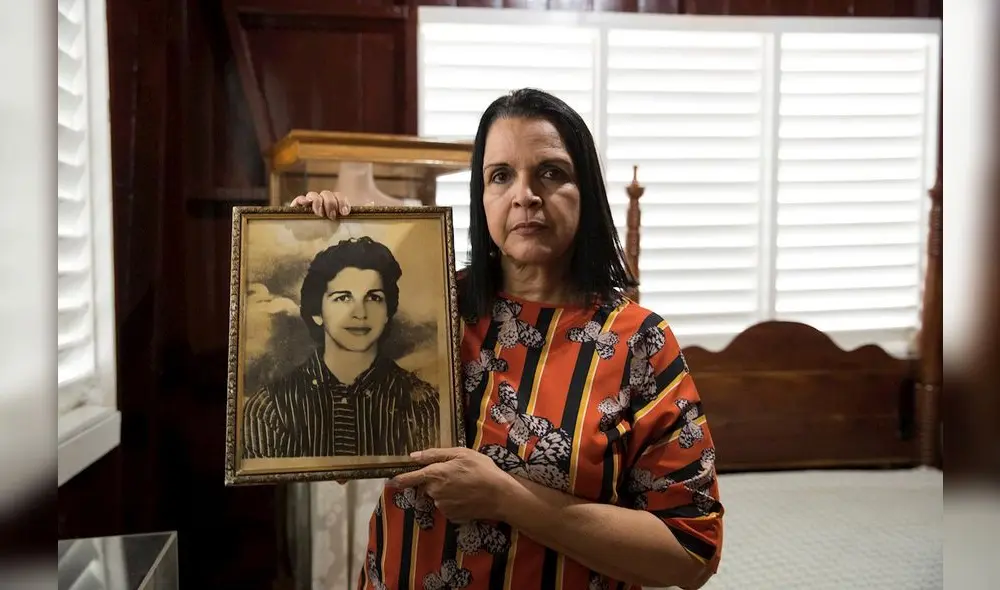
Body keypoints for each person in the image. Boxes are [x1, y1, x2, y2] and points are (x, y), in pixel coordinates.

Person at [291, 88, 723, 590]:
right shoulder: (430, 306)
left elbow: (691, 553)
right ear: (482, 197)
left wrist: (507, 498)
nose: (525, 195)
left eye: (551, 173)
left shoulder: (639, 344)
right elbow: (336, 448)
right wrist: (315, 237)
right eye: (501, 175)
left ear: (587, 191)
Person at [242, 236, 440, 459]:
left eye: (374, 298)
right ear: (317, 312)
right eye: (343, 298)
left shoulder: (423, 404)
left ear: (387, 312)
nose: (360, 313)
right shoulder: (270, 408)